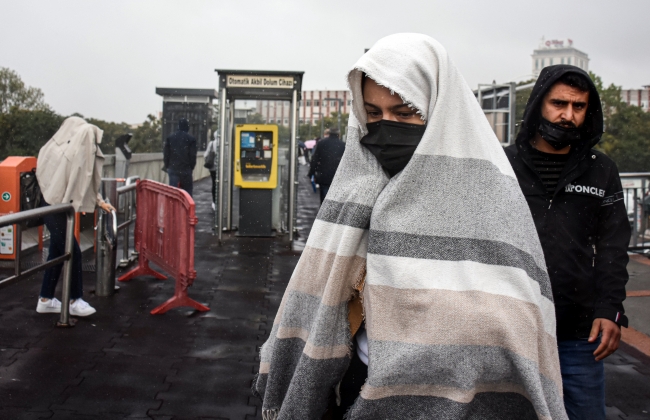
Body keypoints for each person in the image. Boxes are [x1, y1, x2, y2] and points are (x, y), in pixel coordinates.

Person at [254, 34, 568, 420]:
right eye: (372, 113)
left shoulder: (489, 193)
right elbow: (317, 290)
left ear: (439, 110)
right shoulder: (357, 185)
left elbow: (514, 318)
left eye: (405, 114)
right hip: (355, 387)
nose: (386, 128)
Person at [505, 65, 630, 420]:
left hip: (578, 332)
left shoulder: (601, 170)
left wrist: (611, 309)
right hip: (513, 326)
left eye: (579, 107)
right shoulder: (502, 164)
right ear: (538, 104)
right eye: (559, 103)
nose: (568, 116)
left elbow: (613, 245)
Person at [35, 116, 115, 317]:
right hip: (58, 205)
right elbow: (84, 175)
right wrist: (96, 201)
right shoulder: (80, 142)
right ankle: (74, 300)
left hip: (49, 202)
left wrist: (97, 201)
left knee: (57, 250)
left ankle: (45, 299)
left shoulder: (53, 149)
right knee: (73, 251)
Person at [307, 127, 345, 203]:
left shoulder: (321, 143)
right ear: (339, 134)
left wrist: (311, 173)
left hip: (324, 175)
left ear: (329, 133)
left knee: (324, 200)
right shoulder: (343, 145)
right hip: (338, 177)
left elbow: (314, 160)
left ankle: (324, 213)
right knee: (336, 200)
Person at [164, 118, 197, 197]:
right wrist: (191, 167)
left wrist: (167, 166)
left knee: (173, 193)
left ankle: (173, 208)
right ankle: (187, 209)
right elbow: (192, 156)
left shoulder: (170, 138)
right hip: (186, 169)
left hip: (173, 169)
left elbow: (166, 154)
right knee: (187, 193)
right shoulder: (191, 139)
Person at [203, 132, 219, 210]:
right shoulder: (225, 143)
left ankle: (214, 202)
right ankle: (221, 200)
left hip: (213, 168)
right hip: (222, 168)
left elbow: (205, 155)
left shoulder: (212, 143)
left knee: (214, 184)